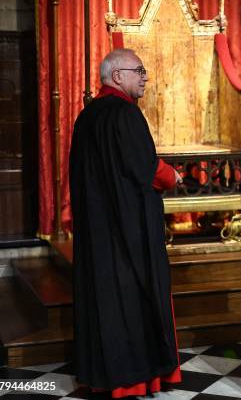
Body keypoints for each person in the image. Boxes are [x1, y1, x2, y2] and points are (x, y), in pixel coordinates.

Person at [69, 48, 183, 397]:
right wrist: (173, 177)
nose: (146, 77)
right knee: (134, 299)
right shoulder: (126, 115)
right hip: (128, 232)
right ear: (118, 76)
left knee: (103, 302)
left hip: (96, 232)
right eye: (140, 71)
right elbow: (146, 170)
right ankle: (136, 378)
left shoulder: (86, 117)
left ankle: (101, 376)